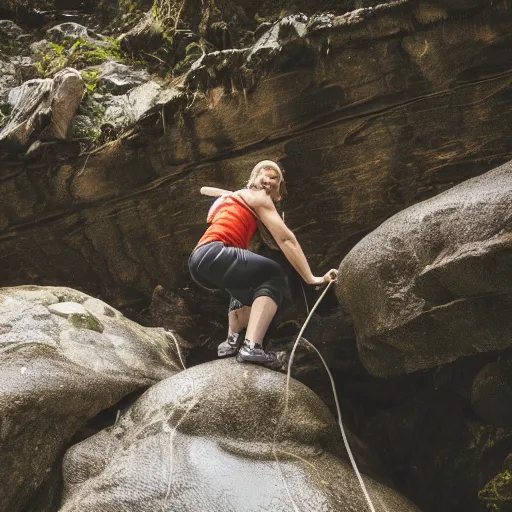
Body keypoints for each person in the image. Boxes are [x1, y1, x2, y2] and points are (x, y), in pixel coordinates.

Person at [188, 160, 337, 369]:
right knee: (273, 274)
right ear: (252, 181)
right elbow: (286, 240)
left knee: (253, 287)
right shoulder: (260, 197)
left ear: (279, 191)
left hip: (200, 262)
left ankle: (233, 339)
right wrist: (312, 278)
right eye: (263, 175)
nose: (268, 180)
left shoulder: (233, 199)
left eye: (274, 178)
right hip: (215, 251)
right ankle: (252, 347)